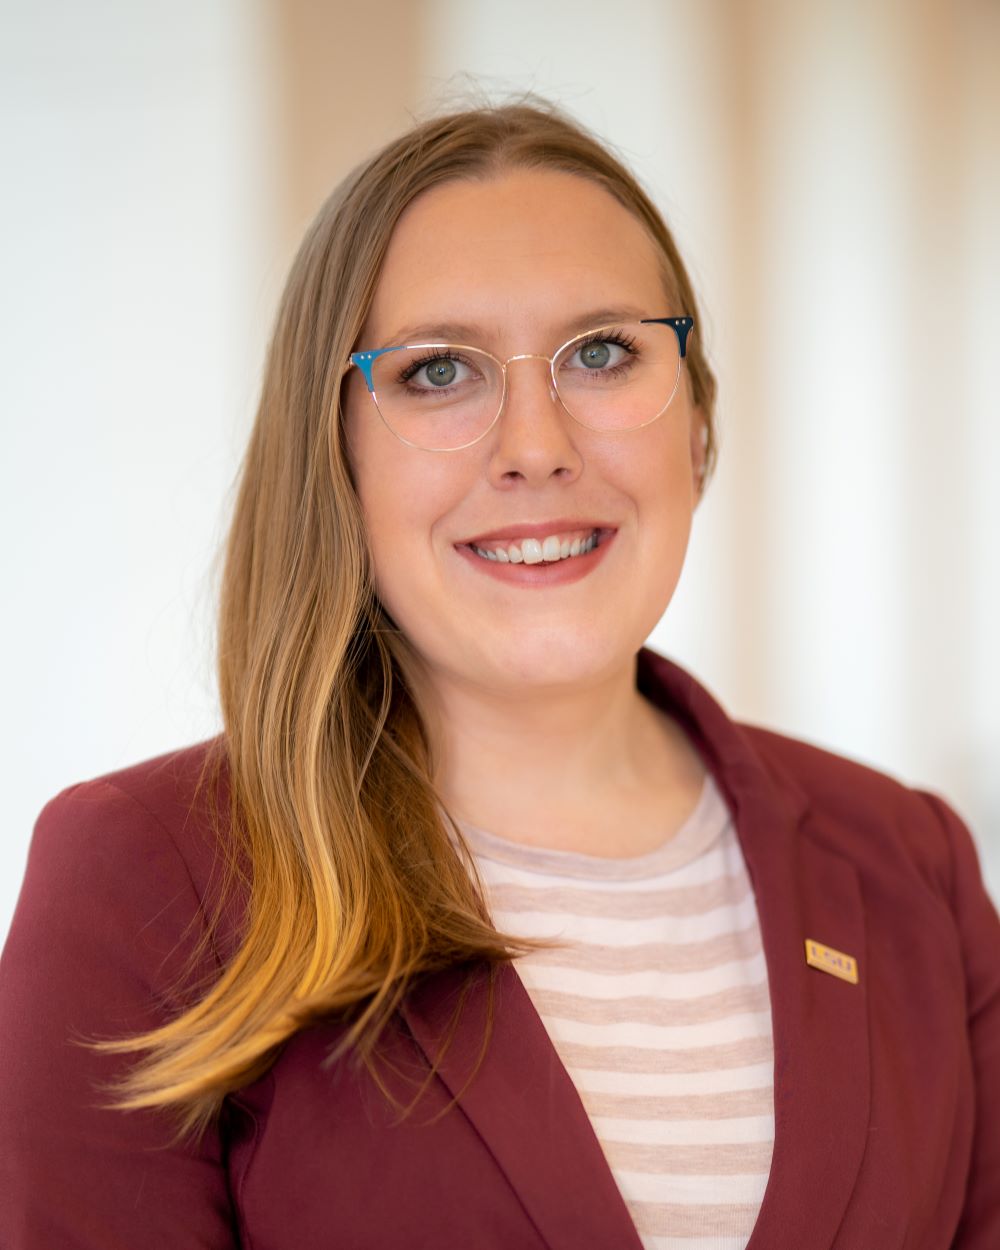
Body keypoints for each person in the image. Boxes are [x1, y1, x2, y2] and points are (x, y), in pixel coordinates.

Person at [1, 100, 997, 1250]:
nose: (535, 443)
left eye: (603, 352)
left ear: (699, 424)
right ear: (336, 455)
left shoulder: (910, 863)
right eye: (438, 373)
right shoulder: (143, 875)